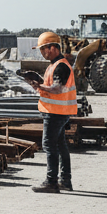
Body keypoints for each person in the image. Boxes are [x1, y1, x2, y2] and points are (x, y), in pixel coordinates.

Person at [30, 31, 76, 193]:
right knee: (60, 145)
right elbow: (52, 88)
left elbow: (57, 88)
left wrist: (39, 86)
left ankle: (51, 182)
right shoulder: (55, 65)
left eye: (43, 49)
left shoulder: (61, 66)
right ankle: (65, 181)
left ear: (53, 48)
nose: (42, 53)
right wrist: (40, 86)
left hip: (55, 112)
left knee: (49, 145)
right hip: (59, 111)